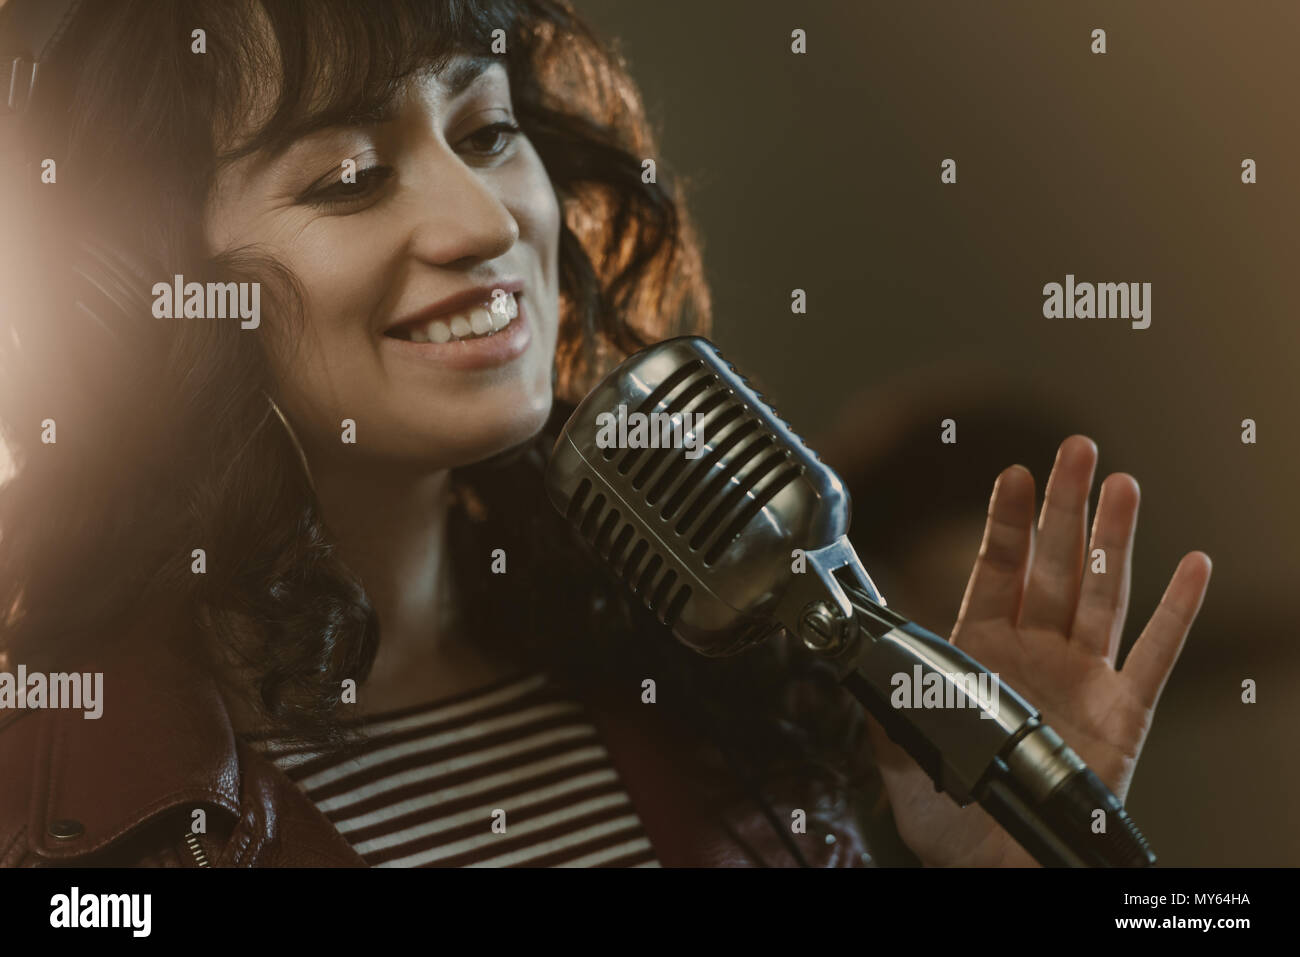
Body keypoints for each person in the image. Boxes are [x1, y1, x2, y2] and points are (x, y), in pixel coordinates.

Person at [0, 0, 1210, 868]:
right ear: (147, 296)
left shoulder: (703, 688)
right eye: (351, 178)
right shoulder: (63, 795)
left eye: (485, 133)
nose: (482, 219)